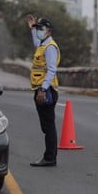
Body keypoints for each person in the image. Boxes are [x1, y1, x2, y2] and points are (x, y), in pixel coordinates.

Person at [25, 15, 61, 167]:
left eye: (41, 29)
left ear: (49, 31)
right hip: (40, 88)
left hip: (46, 90)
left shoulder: (50, 47)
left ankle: (50, 158)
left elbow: (52, 69)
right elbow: (35, 43)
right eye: (38, 28)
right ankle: (50, 157)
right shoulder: (42, 45)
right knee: (46, 126)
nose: (39, 31)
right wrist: (33, 28)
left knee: (49, 126)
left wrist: (43, 89)